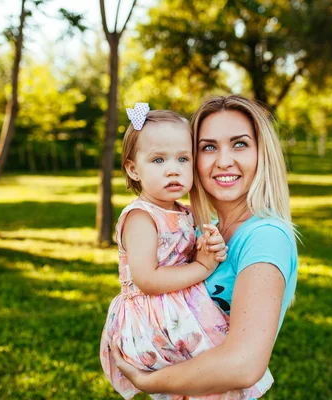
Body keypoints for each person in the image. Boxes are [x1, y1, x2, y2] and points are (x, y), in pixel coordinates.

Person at [109, 95, 299, 398]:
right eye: (208, 147)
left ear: (262, 154)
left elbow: (244, 366)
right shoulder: (198, 230)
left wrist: (147, 381)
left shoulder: (264, 237)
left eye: (239, 144)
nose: (224, 160)